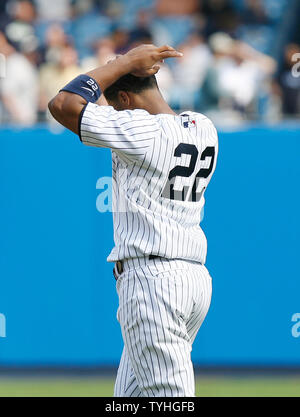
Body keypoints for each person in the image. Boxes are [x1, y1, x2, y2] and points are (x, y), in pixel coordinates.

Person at [48, 44, 218, 397]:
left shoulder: (141, 131)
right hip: (193, 280)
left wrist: (124, 62)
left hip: (154, 284)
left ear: (124, 99)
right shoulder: (203, 127)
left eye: (113, 103)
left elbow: (63, 104)